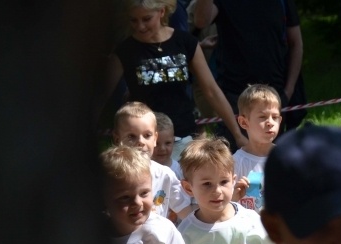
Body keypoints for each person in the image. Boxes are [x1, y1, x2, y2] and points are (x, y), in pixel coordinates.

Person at [104, 0, 247, 158]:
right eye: (134, 20)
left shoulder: (185, 42)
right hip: (143, 142)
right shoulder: (125, 50)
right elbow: (101, 94)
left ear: (162, 12)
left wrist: (237, 134)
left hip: (181, 137)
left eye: (146, 19)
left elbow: (211, 90)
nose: (140, 26)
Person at [193, 0, 305, 140]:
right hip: (234, 96)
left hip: (275, 92)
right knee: (236, 156)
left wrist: (289, 90)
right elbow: (201, 21)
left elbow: (296, 43)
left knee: (273, 157)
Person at [113, 102, 193, 221]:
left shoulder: (165, 175)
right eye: (131, 136)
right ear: (117, 139)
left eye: (147, 135)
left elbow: (187, 215)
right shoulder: (110, 176)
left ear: (155, 138)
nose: (141, 142)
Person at [231, 84, 283, 211]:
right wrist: (233, 196)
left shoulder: (286, 157)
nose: (270, 122)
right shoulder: (235, 162)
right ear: (244, 122)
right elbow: (226, 205)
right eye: (262, 117)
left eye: (275, 117)